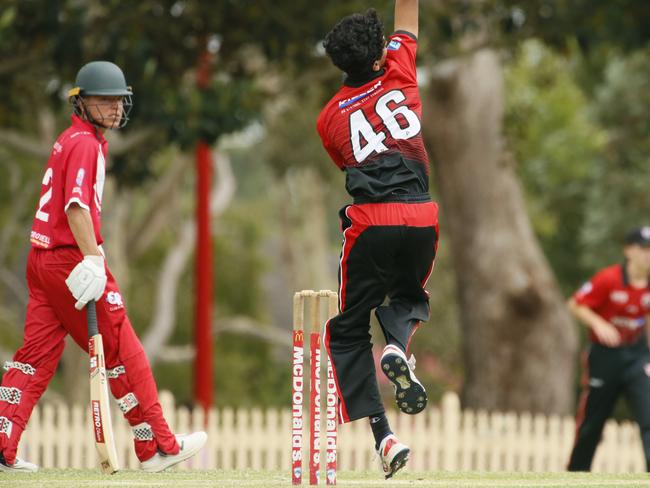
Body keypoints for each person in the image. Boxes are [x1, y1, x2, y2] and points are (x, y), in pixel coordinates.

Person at [0, 61, 207, 472]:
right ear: (82, 103)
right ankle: (158, 445)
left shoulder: (73, 139)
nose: (114, 108)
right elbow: (76, 208)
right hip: (69, 258)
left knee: (35, 357)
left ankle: (1, 443)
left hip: (42, 258)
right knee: (122, 348)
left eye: (118, 100)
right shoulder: (84, 144)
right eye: (104, 101)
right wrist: (93, 259)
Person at [317, 0, 438, 478]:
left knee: (347, 330)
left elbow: (350, 167)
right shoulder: (398, 67)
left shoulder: (327, 118)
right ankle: (397, 346)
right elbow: (408, 15)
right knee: (410, 298)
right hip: (422, 216)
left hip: (369, 224)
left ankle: (383, 436)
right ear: (376, 57)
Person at [567, 226, 650, 471]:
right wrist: (598, 323)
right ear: (629, 251)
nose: (649, 255)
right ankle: (576, 474)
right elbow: (575, 304)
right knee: (593, 421)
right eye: (644, 249)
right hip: (604, 357)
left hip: (637, 356)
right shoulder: (609, 278)